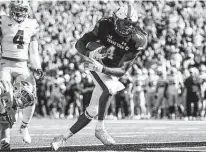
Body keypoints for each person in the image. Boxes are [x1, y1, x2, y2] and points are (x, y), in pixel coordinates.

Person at [51, 3, 147, 151]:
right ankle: (100, 128)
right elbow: (80, 44)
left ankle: (62, 138)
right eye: (123, 23)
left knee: (93, 110)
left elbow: (122, 70)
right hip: (96, 61)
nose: (126, 27)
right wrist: (90, 53)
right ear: (116, 19)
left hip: (111, 70)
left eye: (130, 24)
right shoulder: (104, 25)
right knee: (109, 89)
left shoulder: (137, 39)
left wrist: (102, 68)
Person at [0, 0, 44, 144]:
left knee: (30, 96)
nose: (20, 12)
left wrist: (37, 67)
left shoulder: (32, 24)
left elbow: (33, 50)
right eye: (17, 9)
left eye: (23, 9)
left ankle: (24, 126)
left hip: (23, 65)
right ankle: (5, 136)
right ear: (11, 9)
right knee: (4, 96)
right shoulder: (2, 20)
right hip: (5, 63)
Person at [0, 80, 36, 150]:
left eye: (27, 98)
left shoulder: (13, 113)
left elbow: (4, 128)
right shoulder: (6, 87)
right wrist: (2, 111)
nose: (25, 99)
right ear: (17, 88)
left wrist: (4, 141)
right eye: (25, 94)